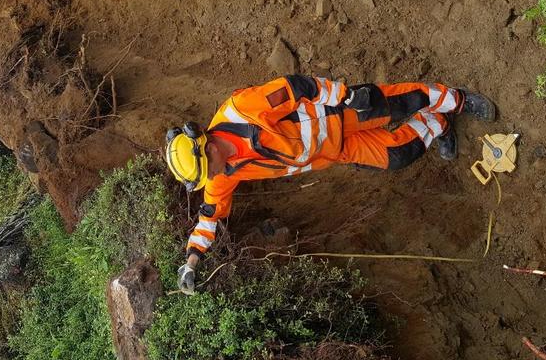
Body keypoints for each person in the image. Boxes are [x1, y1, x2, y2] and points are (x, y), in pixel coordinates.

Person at [164, 75, 495, 294]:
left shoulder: (240, 112)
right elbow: (210, 214)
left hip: (340, 114)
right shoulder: (225, 173)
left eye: (208, 173)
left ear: (207, 148)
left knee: (401, 102)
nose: (212, 179)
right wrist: (192, 262)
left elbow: (297, 87)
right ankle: (437, 123)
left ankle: (458, 100)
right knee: (398, 155)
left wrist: (348, 97)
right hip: (336, 150)